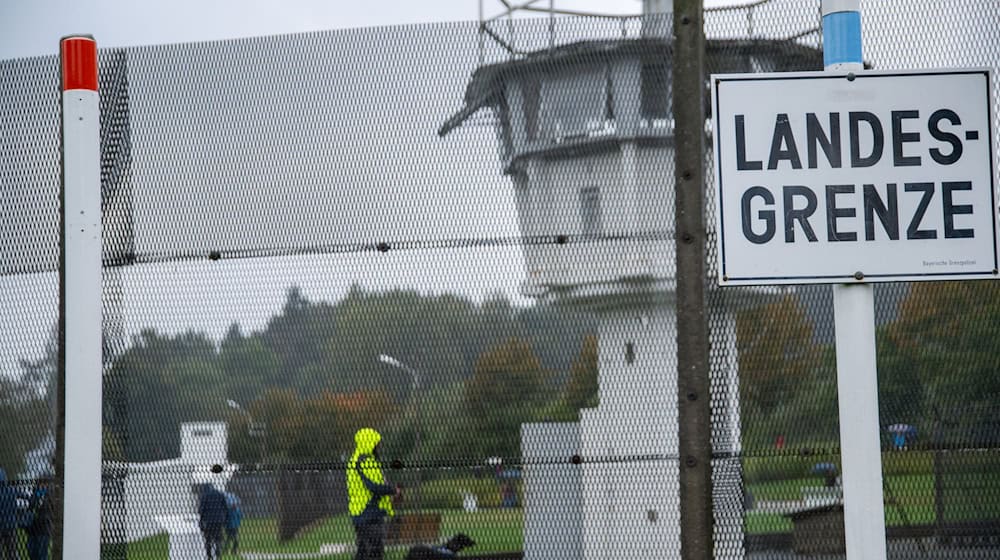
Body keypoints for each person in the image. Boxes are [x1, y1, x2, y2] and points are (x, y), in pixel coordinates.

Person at [346, 428, 400, 560]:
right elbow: (374, 486)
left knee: (365, 550)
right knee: (373, 551)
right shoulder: (365, 461)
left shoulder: (356, 459)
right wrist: (393, 490)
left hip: (364, 511)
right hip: (368, 511)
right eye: (376, 444)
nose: (378, 447)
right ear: (369, 443)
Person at [198, 484, 227, 560]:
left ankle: (209, 555)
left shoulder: (205, 495)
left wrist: (201, 519)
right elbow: (225, 507)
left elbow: (201, 509)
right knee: (218, 537)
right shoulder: (219, 494)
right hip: (218, 520)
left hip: (208, 521)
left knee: (208, 538)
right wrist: (224, 518)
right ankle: (218, 551)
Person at [24, 477, 51, 560]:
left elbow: (50, 510)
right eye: (40, 484)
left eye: (43, 484)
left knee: (41, 554)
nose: (41, 486)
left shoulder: (50, 495)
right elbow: (30, 508)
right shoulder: (34, 495)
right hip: (32, 528)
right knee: (31, 551)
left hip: (43, 529)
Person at [0, 468, 19, 560]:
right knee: (12, 552)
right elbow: (25, 496)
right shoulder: (11, 489)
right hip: (11, 524)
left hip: (1, 524)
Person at [223, 492, 242, 557]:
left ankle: (228, 550)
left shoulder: (237, 510)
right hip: (229, 527)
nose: (234, 505)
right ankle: (230, 551)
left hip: (235, 526)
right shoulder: (229, 511)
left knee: (230, 539)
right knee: (233, 539)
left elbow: (240, 517)